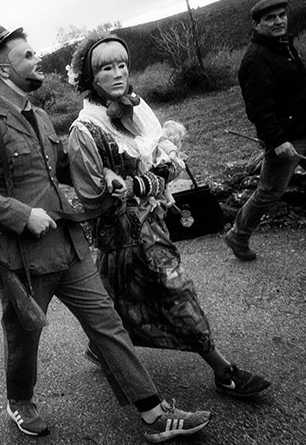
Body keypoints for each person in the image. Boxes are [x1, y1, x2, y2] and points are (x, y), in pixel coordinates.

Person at [0, 22, 211, 443]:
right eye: (28, 56)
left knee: (108, 324)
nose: (38, 60)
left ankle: (153, 414)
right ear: (3, 71)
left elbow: (56, 168)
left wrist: (102, 172)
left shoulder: (36, 115)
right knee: (24, 336)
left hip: (69, 246)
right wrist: (22, 214)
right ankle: (20, 401)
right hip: (22, 260)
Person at [65, 33, 270, 399]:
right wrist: (127, 185)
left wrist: (143, 183)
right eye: (106, 67)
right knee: (175, 292)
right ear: (89, 76)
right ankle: (224, 372)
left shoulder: (137, 109)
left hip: (150, 225)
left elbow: (168, 162)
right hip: (120, 236)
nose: (117, 74)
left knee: (118, 302)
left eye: (122, 64)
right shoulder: (86, 128)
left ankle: (100, 346)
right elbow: (91, 195)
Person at [224, 0, 306, 261]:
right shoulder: (256, 59)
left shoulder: (284, 46)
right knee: (269, 192)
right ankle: (237, 235)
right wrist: (278, 141)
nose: (279, 21)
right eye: (270, 18)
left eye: (281, 15)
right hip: (287, 141)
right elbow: (259, 109)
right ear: (257, 24)